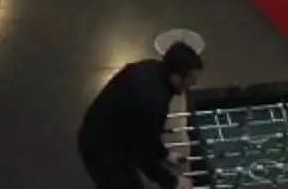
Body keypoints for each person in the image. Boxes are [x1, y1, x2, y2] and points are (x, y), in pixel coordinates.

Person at [76, 39, 204, 187]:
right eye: (191, 78)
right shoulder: (152, 102)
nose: (194, 83)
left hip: (104, 130)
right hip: (102, 148)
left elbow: (147, 133)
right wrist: (173, 182)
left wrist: (164, 154)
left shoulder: (152, 69)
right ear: (176, 76)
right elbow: (142, 154)